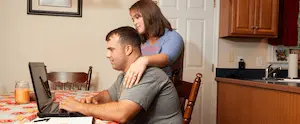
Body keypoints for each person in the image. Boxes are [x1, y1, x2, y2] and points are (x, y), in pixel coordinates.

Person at [59, 26, 183, 124]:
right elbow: (109, 94)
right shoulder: (125, 75)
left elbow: (122, 114)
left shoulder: (149, 74)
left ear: (128, 49)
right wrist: (95, 99)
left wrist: (80, 107)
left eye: (111, 49)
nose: (107, 55)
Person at [123, 0, 185, 88]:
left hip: (162, 88)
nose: (134, 22)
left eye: (137, 17)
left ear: (150, 15)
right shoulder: (142, 41)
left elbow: (166, 58)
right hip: (143, 85)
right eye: (133, 19)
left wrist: (143, 60)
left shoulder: (173, 37)